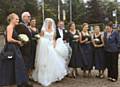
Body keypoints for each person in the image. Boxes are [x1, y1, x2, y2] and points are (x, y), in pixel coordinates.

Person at [32, 18, 69, 86]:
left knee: (54, 60)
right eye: (48, 23)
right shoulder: (43, 30)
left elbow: (54, 38)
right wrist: (45, 42)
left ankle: (53, 76)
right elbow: (41, 38)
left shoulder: (53, 30)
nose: (50, 24)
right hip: (45, 46)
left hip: (51, 46)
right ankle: (43, 76)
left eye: (51, 23)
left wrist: (54, 44)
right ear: (46, 23)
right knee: (44, 61)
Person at [0, 13, 32, 87]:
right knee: (15, 65)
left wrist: (20, 42)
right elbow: (9, 39)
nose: (18, 20)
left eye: (18, 19)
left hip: (15, 47)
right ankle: (20, 83)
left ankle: (21, 82)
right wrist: (18, 41)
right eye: (16, 19)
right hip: (11, 48)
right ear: (12, 19)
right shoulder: (10, 27)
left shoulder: (13, 27)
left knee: (17, 65)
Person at [15, 12, 33, 77]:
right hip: (24, 49)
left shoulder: (27, 26)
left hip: (29, 48)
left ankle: (25, 78)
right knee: (24, 63)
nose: (29, 18)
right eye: (28, 16)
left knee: (28, 63)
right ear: (23, 17)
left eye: (30, 16)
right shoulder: (20, 25)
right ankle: (23, 79)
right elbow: (18, 36)